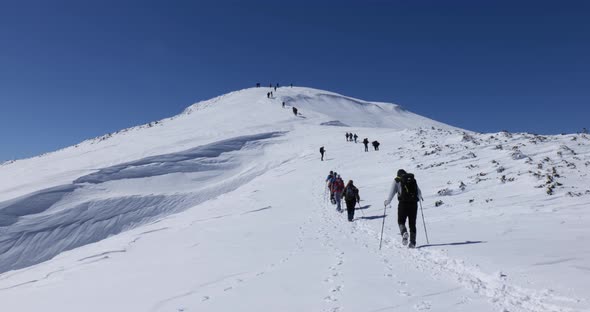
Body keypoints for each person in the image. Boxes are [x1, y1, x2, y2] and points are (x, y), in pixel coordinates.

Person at [384, 169, 423, 248]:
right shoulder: (412, 180)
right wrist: (420, 198)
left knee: (401, 221)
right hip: (414, 204)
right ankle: (412, 242)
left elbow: (391, 193)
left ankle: (404, 232)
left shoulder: (397, 181)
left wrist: (387, 202)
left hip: (403, 204)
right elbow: (418, 192)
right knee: (412, 224)